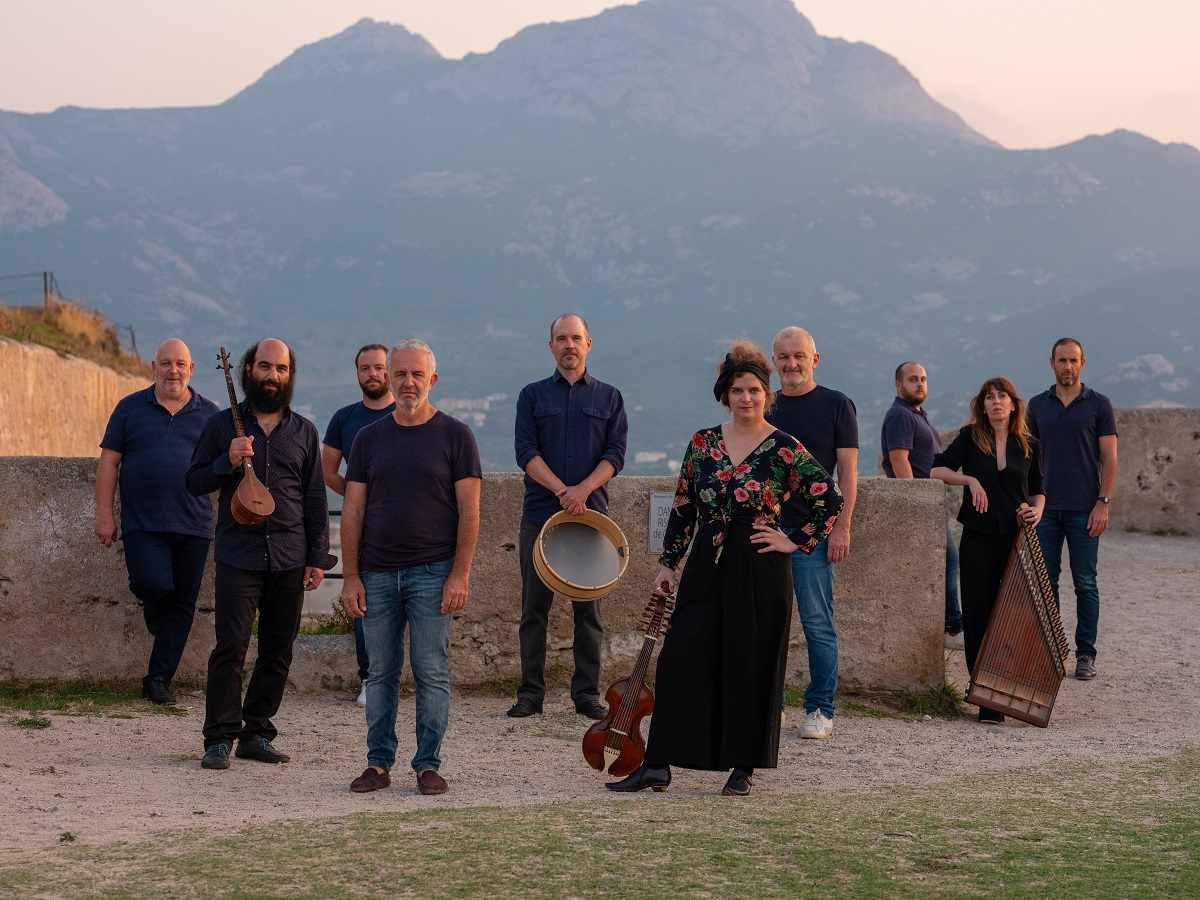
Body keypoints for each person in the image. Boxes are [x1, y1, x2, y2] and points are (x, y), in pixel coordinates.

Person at [607, 341, 842, 796]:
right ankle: (658, 764)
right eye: (738, 390)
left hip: (760, 567)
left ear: (766, 394)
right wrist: (668, 565)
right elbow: (683, 508)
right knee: (678, 659)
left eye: (754, 389)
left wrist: (793, 540)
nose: (746, 398)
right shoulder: (703, 443)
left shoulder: (783, 447)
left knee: (749, 661)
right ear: (725, 394)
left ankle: (743, 766)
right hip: (706, 564)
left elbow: (829, 498)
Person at [339, 340, 481, 796]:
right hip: (377, 573)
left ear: (432, 380)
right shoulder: (368, 439)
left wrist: (459, 574)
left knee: (430, 670)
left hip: (433, 573)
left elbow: (470, 511)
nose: (407, 383)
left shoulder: (457, 436)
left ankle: (427, 765)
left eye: (417, 375)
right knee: (379, 672)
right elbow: (353, 512)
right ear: (389, 378)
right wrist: (352, 576)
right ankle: (378, 765)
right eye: (399, 374)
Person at [186, 338, 335, 770]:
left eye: (281, 369)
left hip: (289, 557)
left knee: (277, 650)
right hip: (239, 552)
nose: (273, 376)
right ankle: (219, 737)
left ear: (290, 375)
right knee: (230, 645)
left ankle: (256, 732)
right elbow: (193, 482)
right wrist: (226, 463)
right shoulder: (220, 426)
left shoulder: (304, 431)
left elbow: (313, 499)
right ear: (248, 369)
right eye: (265, 367)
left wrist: (317, 556)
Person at [508, 314, 628, 721]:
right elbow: (525, 452)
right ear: (551, 346)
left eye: (576, 338)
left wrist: (582, 492)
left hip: (591, 520)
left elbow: (615, 454)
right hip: (540, 516)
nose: (569, 345)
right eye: (561, 338)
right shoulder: (531, 395)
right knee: (533, 611)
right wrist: (562, 490)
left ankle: (586, 696)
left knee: (589, 615)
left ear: (588, 344)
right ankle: (530, 695)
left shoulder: (610, 397)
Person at [94, 338, 219, 705]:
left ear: (191, 369)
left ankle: (158, 678)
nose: (173, 371)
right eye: (166, 363)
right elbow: (108, 463)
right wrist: (104, 515)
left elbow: (223, 467)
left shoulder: (211, 414)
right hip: (143, 523)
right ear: (153, 367)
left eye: (180, 364)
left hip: (195, 524)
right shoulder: (130, 408)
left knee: (183, 603)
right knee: (152, 584)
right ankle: (153, 605)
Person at [931, 377, 1044, 724]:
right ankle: (984, 694)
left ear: (1013, 404)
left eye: (1003, 396)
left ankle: (1010, 690)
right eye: (989, 397)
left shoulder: (1029, 444)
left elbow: (1038, 488)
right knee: (978, 613)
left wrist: (1036, 510)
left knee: (1010, 613)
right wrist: (969, 480)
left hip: (1015, 538)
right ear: (982, 406)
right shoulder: (969, 438)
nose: (996, 402)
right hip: (978, 538)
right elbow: (937, 469)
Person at [765, 326, 857, 740]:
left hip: (815, 532)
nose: (791, 363)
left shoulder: (837, 405)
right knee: (770, 622)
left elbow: (849, 476)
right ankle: (772, 705)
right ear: (773, 362)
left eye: (799, 355)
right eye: (783, 357)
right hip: (767, 531)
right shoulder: (764, 406)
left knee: (817, 622)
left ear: (814, 359)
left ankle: (820, 708)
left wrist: (841, 528)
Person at [1027, 338, 1118, 681]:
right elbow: (1027, 457)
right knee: (1045, 583)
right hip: (1045, 510)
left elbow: (1110, 458)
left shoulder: (1099, 405)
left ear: (1083, 363)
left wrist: (1103, 503)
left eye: (1073, 360)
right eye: (1062, 360)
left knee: (1085, 583)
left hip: (1085, 509)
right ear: (1051, 362)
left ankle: (1085, 655)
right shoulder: (1036, 405)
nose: (1068, 366)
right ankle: (1053, 653)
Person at [322, 343, 396, 706]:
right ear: (357, 374)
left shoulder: (408, 412)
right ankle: (369, 679)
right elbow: (326, 469)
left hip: (409, 525)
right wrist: (356, 497)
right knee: (364, 602)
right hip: (364, 527)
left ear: (391, 370)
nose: (373, 374)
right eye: (365, 368)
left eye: (379, 367)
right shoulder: (344, 418)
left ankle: (400, 678)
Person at [881, 361, 966, 649]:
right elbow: (898, 459)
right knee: (949, 561)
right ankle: (953, 629)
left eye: (923, 379)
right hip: (919, 506)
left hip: (929, 504)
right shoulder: (901, 416)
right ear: (898, 384)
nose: (919, 384)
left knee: (948, 562)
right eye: (913, 379)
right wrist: (914, 501)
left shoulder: (917, 414)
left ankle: (950, 625)